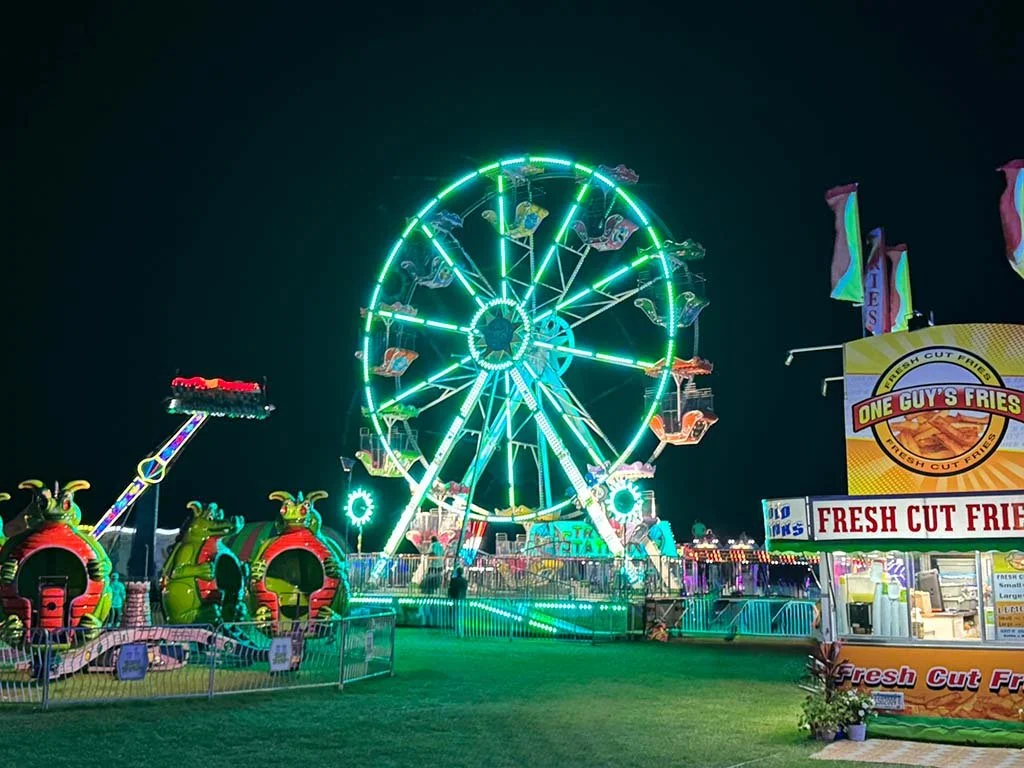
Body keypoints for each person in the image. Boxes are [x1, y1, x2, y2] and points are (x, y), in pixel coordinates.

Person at [447, 566, 469, 636]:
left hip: (455, 598)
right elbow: (465, 589)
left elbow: (450, 589)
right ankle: (461, 630)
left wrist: (450, 596)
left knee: (455, 614)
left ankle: (456, 629)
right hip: (462, 598)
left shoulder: (453, 580)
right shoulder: (464, 581)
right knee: (461, 614)